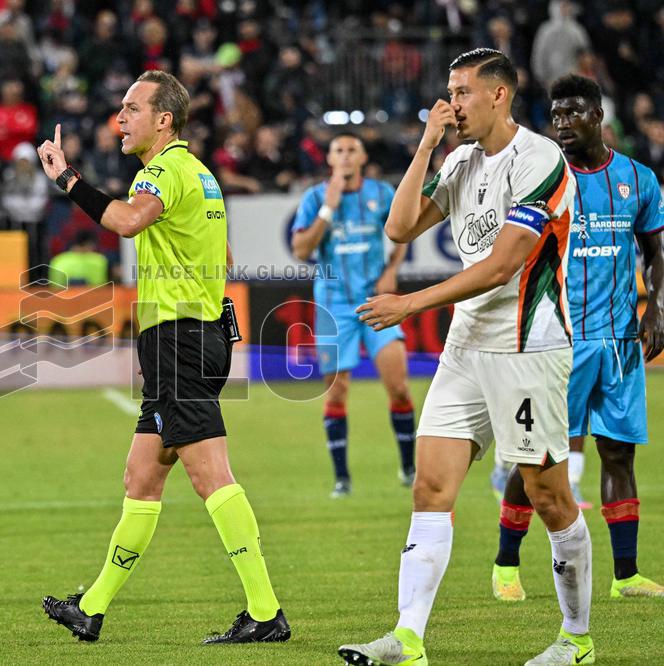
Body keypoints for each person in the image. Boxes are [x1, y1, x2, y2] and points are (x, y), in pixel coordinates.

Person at [338, 49, 592, 666]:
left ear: (499, 94)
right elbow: (399, 228)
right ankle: (407, 638)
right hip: (465, 349)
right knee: (430, 486)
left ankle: (576, 638)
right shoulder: (459, 162)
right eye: (448, 92)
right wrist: (426, 146)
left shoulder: (540, 159)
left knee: (548, 495)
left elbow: (504, 263)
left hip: (525, 347)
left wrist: (412, 302)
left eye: (461, 92)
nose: (450, 103)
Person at [36, 70, 289, 645]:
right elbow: (222, 253)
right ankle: (92, 607)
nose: (119, 119)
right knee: (141, 476)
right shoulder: (200, 175)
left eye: (131, 108)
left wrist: (68, 179)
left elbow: (127, 223)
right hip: (193, 336)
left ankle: (265, 611)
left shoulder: (162, 171)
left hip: (177, 340)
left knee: (211, 477)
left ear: (163, 118)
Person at [490, 75, 664, 603]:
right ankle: (506, 564)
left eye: (573, 113)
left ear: (598, 115)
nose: (562, 124)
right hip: (556, 340)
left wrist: (656, 304)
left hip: (617, 342)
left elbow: (656, 250)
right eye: (556, 114)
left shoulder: (638, 179)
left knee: (618, 454)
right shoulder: (542, 179)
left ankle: (627, 575)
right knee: (536, 457)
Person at [290, 133, 415, 498]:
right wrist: (327, 210)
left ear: (362, 158)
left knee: (399, 385)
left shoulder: (381, 193)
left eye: (351, 150)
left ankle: (409, 468)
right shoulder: (315, 198)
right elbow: (300, 250)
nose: (345, 157)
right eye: (338, 151)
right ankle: (342, 479)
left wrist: (393, 266)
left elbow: (404, 230)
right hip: (334, 306)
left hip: (378, 300)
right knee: (336, 393)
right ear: (330, 160)